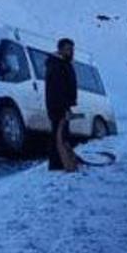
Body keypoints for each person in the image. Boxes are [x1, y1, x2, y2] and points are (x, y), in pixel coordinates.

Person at [45, 37, 78, 171]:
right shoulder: (57, 65)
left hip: (62, 105)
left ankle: (60, 162)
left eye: (71, 49)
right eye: (67, 49)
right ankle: (57, 164)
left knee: (62, 134)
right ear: (60, 50)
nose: (70, 52)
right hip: (58, 106)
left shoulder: (62, 63)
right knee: (59, 135)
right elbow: (57, 88)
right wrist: (64, 106)